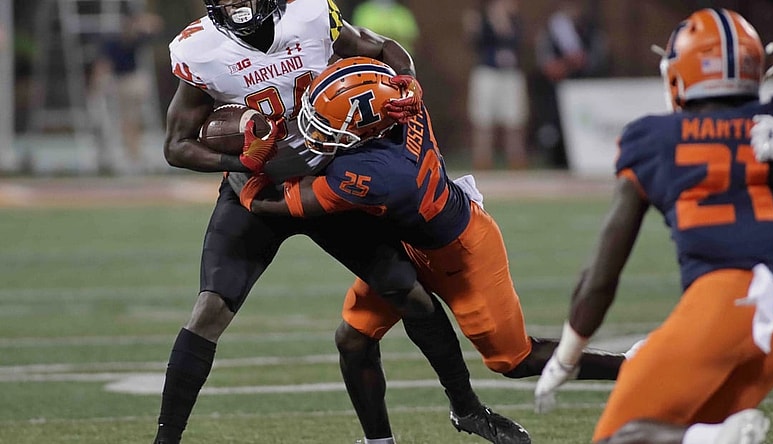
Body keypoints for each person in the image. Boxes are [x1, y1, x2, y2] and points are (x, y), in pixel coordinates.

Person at [153, 1, 523, 443]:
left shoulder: (308, 14)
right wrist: (238, 159)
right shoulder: (202, 49)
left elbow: (385, 49)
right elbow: (177, 146)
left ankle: (467, 410)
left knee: (410, 293)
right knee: (208, 311)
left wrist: (407, 84)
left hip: (327, 178)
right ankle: (166, 440)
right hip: (258, 188)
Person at [249, 56, 627, 443]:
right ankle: (379, 441)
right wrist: (410, 79)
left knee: (513, 360)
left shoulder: (370, 176)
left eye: (329, 126)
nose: (318, 134)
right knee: (354, 339)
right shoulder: (406, 106)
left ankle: (632, 369)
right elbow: (399, 65)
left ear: (370, 128)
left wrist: (242, 167)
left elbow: (272, 203)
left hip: (464, 254)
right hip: (410, 243)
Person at [533, 8, 773, 444]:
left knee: (621, 438)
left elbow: (600, 276)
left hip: (729, 303)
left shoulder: (655, 138)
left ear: (680, 73)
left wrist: (566, 356)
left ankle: (712, 440)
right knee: (689, 419)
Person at [531, 0, 608, 169]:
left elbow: (598, 55)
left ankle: (579, 158)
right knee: (555, 125)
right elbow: (545, 60)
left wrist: (585, 63)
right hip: (557, 87)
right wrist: (559, 66)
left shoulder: (588, 28)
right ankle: (555, 159)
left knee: (582, 125)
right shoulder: (552, 29)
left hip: (583, 87)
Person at [88, 10, 163, 175]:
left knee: (130, 122)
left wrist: (144, 21)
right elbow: (104, 65)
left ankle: (134, 156)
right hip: (119, 82)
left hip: (132, 81)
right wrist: (97, 86)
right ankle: (130, 155)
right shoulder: (112, 40)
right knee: (126, 122)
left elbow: (156, 24)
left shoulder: (136, 38)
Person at [463, 0, 528, 170]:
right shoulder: (481, 20)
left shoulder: (516, 22)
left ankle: (516, 159)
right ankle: (482, 159)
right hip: (487, 73)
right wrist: (474, 27)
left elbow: (519, 43)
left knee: (514, 119)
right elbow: (474, 44)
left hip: (510, 74)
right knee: (483, 119)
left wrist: (503, 23)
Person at [351, 0, 419, 55]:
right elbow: (361, 34)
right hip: (372, 58)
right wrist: (392, 35)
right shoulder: (364, 11)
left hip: (400, 59)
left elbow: (410, 35)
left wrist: (382, 33)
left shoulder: (403, 12)